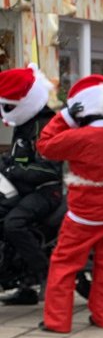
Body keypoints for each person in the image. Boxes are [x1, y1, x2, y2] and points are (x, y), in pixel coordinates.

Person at [37, 73, 103, 333]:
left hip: (85, 214)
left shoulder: (80, 138)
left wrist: (65, 117)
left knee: (64, 264)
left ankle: (57, 321)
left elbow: (45, 145)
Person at [0, 65, 63, 305]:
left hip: (46, 190)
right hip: (22, 188)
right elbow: (17, 157)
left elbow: (49, 167)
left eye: (8, 105)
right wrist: (5, 163)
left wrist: (14, 169)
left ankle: (45, 274)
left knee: (13, 225)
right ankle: (23, 285)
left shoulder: (46, 126)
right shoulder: (23, 121)